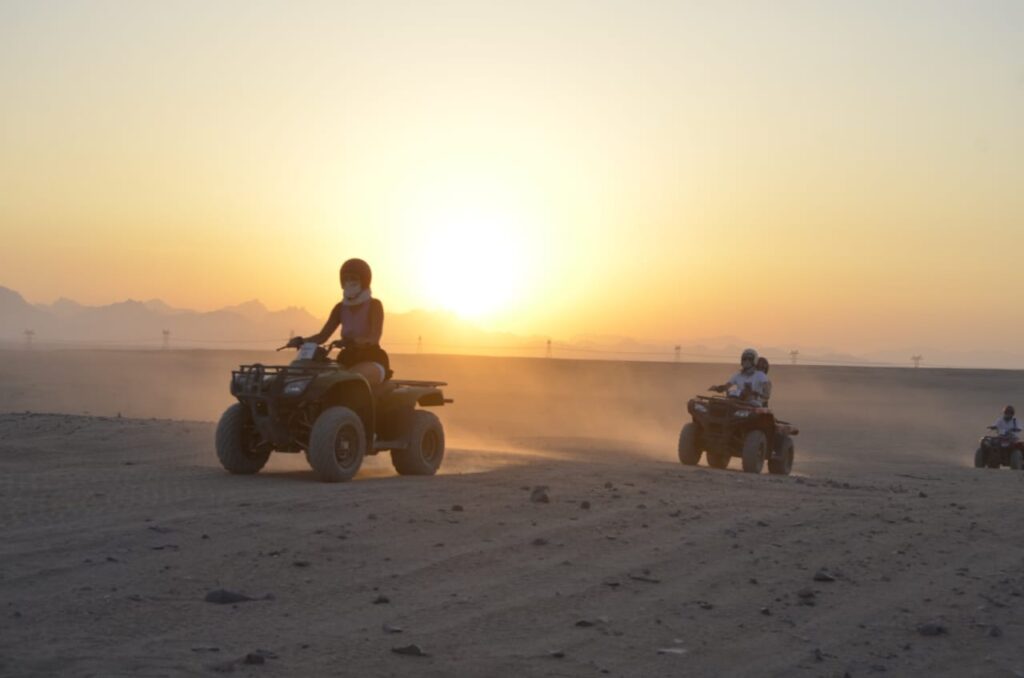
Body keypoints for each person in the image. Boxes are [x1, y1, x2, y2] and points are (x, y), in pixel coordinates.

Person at [287, 258, 389, 385]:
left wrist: (354, 341)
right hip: (346, 359)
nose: (349, 282)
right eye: (345, 279)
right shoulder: (339, 308)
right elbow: (322, 337)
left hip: (371, 358)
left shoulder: (374, 305)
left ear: (364, 281)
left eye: (353, 278)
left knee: (351, 380)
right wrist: (301, 341)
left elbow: (374, 338)